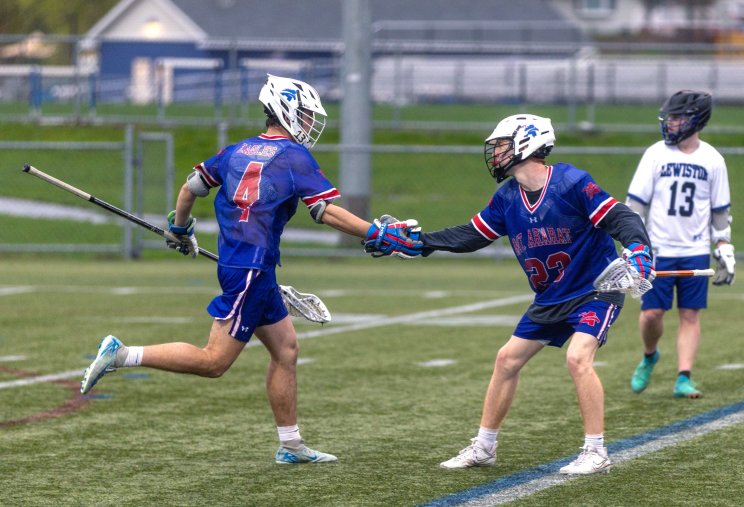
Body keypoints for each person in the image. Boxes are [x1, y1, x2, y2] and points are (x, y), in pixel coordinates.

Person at [79, 74, 422, 464]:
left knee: (286, 349)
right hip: (250, 269)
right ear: (285, 111)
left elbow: (190, 188)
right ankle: (122, 354)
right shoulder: (293, 156)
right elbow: (325, 212)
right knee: (214, 361)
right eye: (305, 115)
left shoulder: (235, 150)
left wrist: (180, 228)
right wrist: (376, 233)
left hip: (248, 266)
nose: (309, 123)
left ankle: (291, 446)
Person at [415, 114, 654, 474]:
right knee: (506, 360)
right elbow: (472, 235)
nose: (495, 153)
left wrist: (637, 248)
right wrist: (422, 242)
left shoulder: (571, 182)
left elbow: (622, 217)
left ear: (526, 143)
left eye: (501, 145)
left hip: (595, 289)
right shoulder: (507, 197)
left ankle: (596, 452)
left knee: (577, 357)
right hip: (551, 296)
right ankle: (484, 447)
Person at [626, 90, 735, 399]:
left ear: (696, 120)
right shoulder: (655, 154)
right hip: (658, 248)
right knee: (652, 314)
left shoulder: (712, 160)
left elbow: (719, 210)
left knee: (690, 314)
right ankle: (650, 355)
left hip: (695, 249)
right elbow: (636, 204)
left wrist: (724, 246)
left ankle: (683, 377)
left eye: (677, 118)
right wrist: (634, 243)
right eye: (669, 117)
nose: (670, 123)